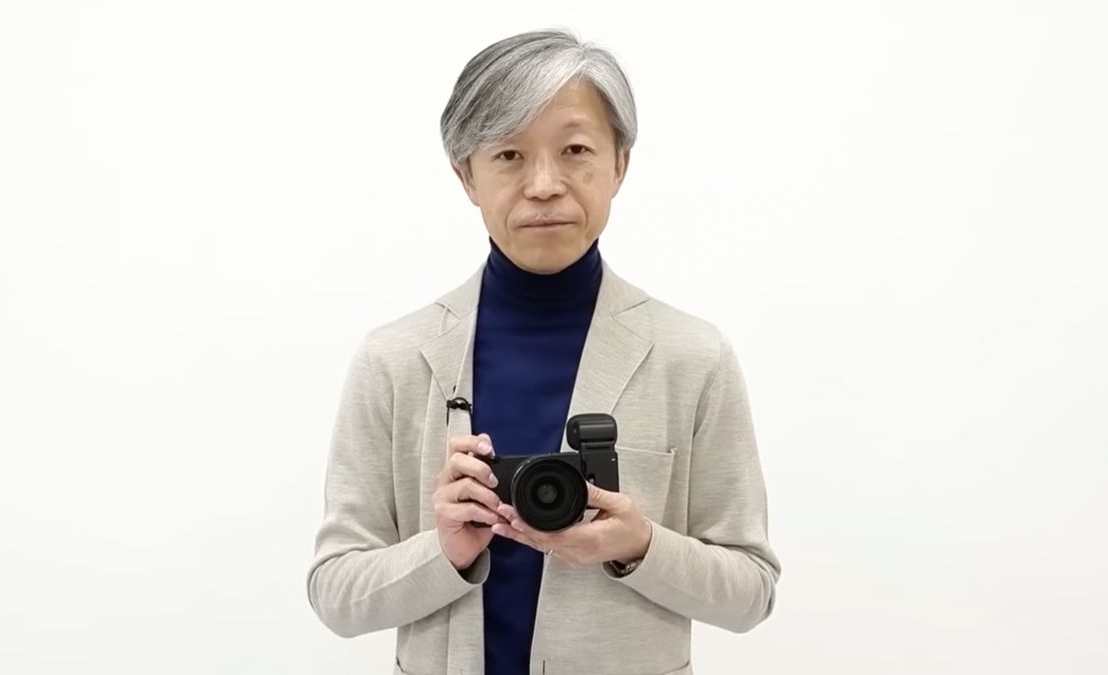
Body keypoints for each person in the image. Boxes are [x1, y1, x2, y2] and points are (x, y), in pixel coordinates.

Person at [306, 28, 781, 675]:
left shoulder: (693, 357)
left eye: (576, 149)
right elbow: (335, 592)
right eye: (508, 154)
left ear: (620, 164)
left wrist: (639, 543)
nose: (544, 184)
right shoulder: (394, 358)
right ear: (465, 174)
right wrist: (443, 550)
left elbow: (751, 590)